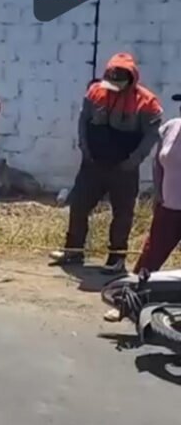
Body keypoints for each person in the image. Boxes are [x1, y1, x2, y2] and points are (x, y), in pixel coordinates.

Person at [51, 52, 163, 274]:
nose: (113, 85)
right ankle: (73, 250)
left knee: (122, 213)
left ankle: (116, 259)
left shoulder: (147, 102)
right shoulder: (96, 92)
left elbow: (151, 135)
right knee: (79, 205)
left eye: (119, 80)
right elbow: (83, 120)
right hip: (93, 164)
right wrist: (85, 148)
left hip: (124, 168)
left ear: (131, 79)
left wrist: (133, 161)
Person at [133, 94, 181, 273]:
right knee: (151, 256)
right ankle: (137, 285)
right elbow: (158, 163)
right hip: (168, 206)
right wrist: (158, 192)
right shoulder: (171, 127)